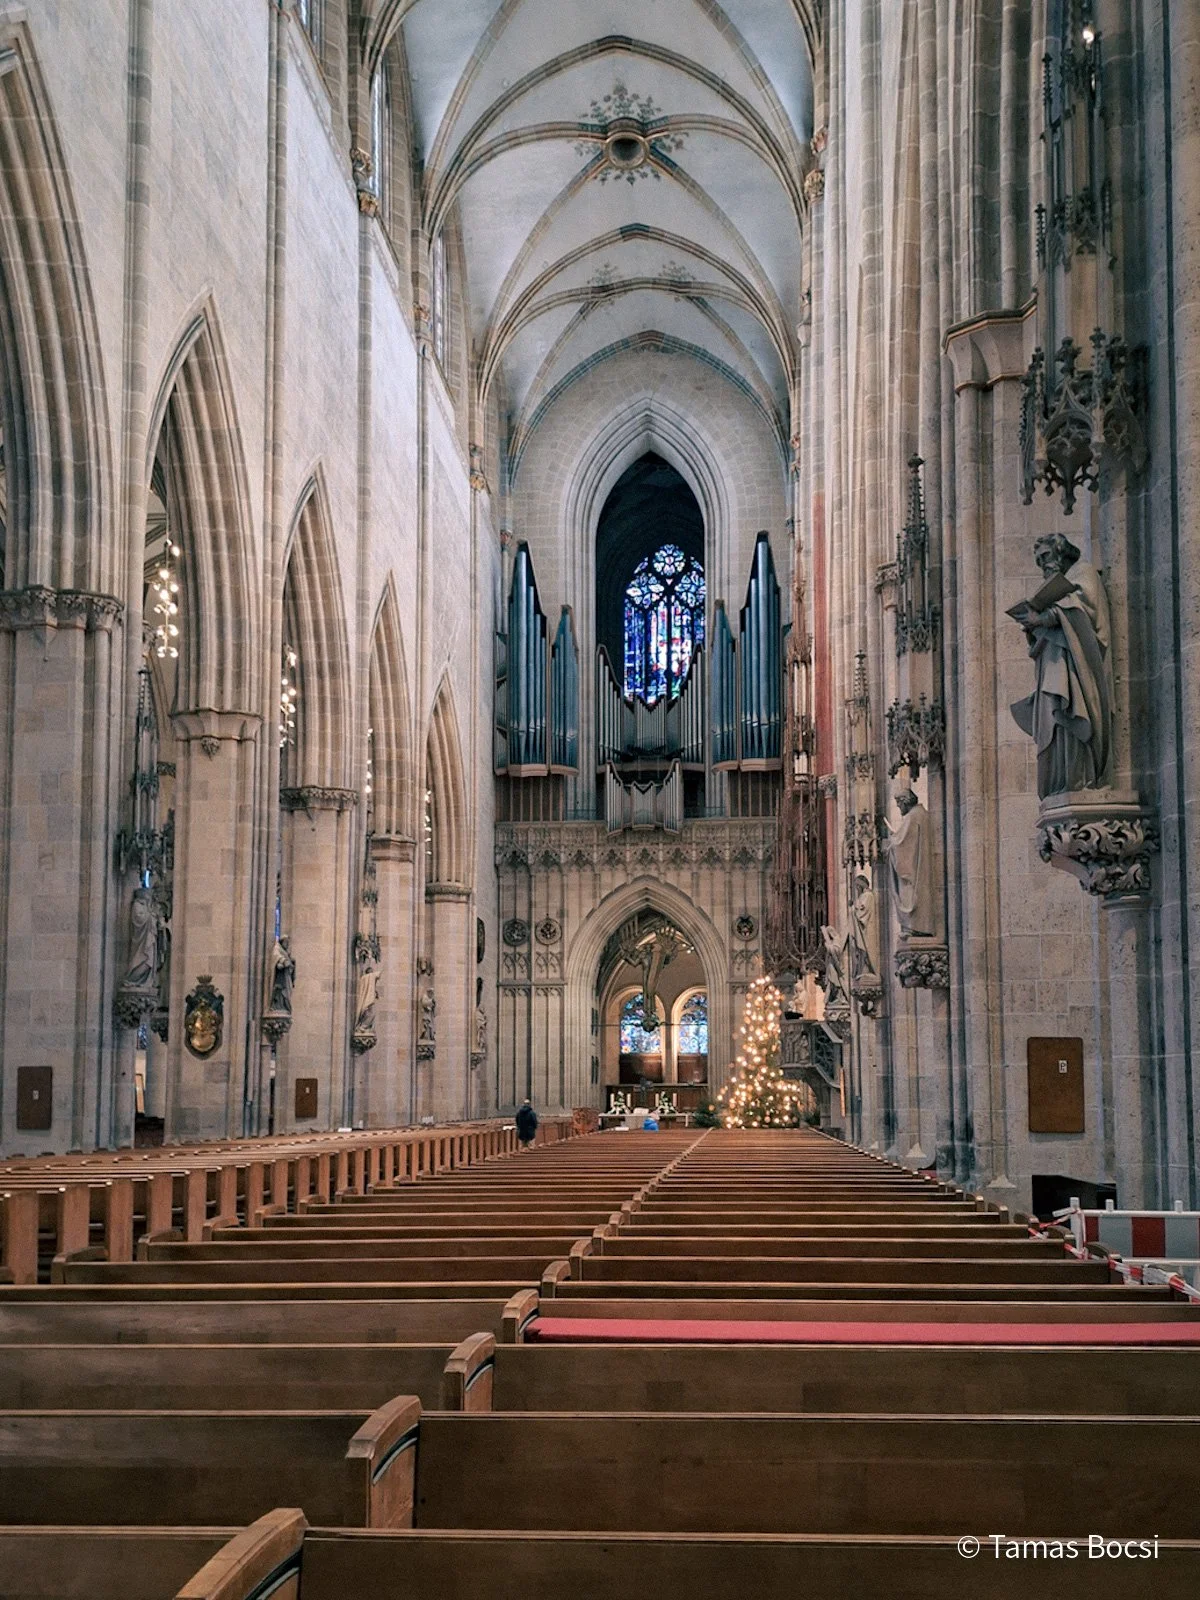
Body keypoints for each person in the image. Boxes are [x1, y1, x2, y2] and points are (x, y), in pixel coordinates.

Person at [1009, 532, 1112, 799]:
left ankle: (1078, 780)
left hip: (1075, 670)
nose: (1042, 564)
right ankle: (1060, 785)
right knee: (1051, 720)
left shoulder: (1082, 572)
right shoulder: (1065, 582)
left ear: (1060, 551)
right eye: (1038, 560)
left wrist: (1043, 618)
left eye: (1045, 556)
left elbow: (1082, 608)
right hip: (1054, 663)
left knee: (1066, 715)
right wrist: (1033, 626)